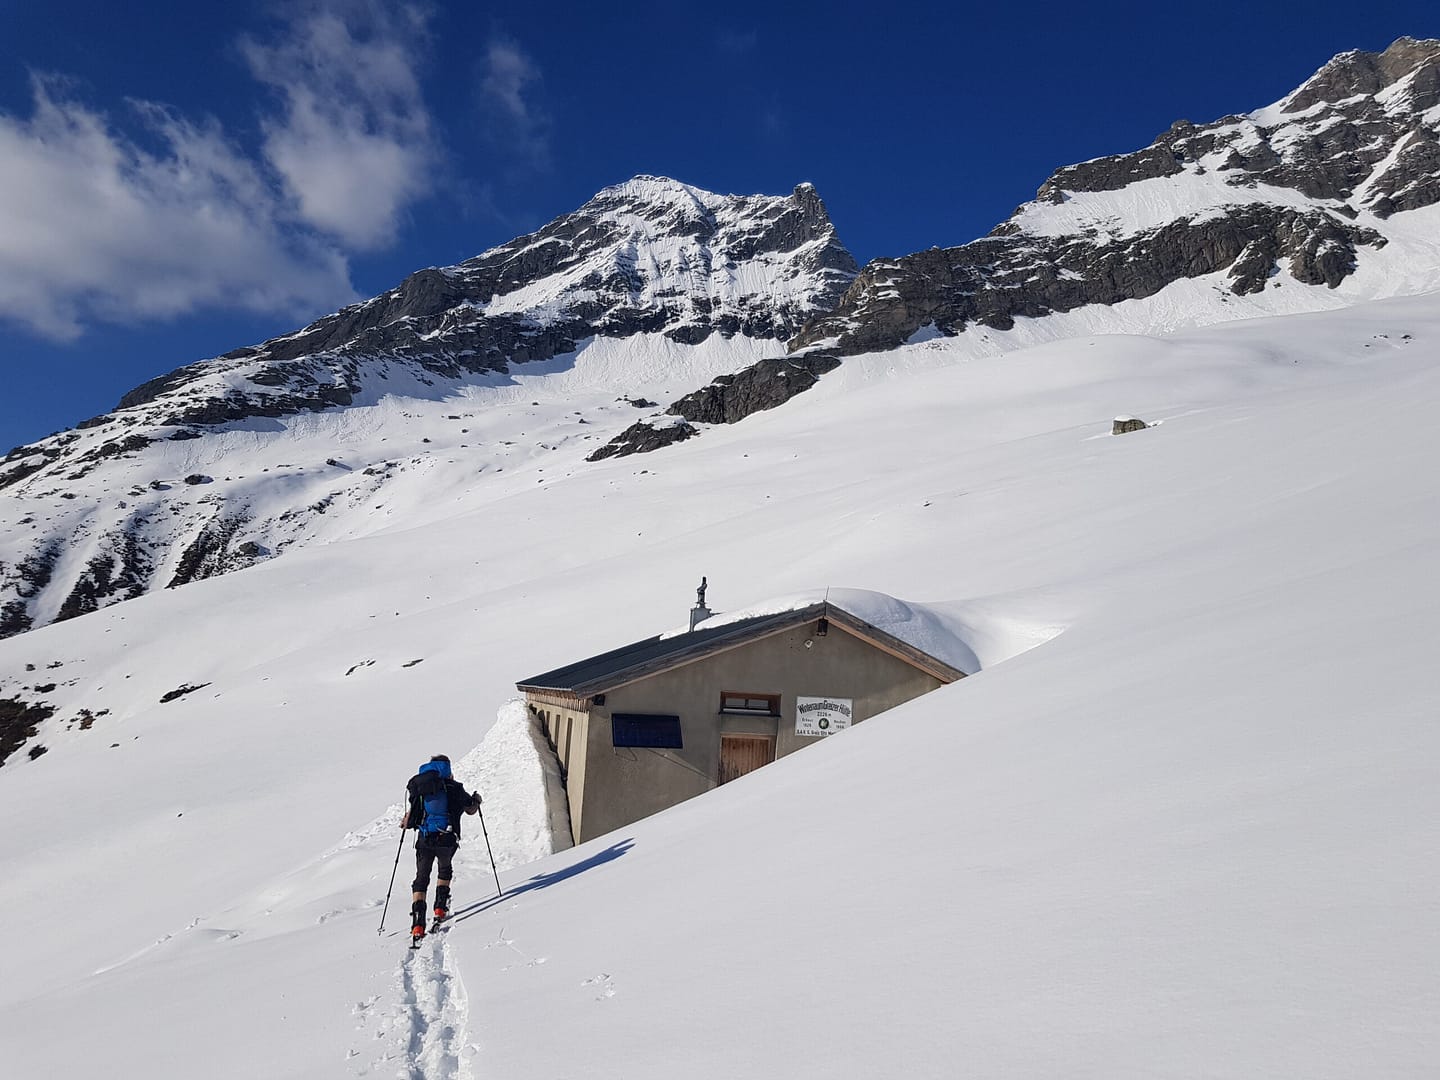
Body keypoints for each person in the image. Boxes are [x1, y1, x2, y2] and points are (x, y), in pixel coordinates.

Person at [401, 754, 482, 939]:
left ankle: (418, 925)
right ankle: (439, 909)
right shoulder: (454, 787)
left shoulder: (420, 788)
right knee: (444, 870)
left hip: (425, 839)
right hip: (447, 839)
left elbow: (412, 816)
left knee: (420, 880)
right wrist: (477, 800)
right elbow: (470, 809)